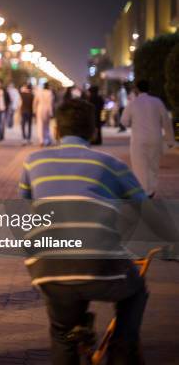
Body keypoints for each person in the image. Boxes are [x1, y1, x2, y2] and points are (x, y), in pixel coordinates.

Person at [19, 99, 150, 364]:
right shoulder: (111, 164)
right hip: (99, 260)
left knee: (61, 333)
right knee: (136, 291)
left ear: (56, 131)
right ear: (93, 131)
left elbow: (22, 213)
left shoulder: (32, 162)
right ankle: (121, 349)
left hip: (46, 266)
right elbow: (146, 210)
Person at [121, 80, 175, 197]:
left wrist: (133, 123)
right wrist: (170, 140)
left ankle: (144, 193)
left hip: (139, 141)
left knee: (140, 168)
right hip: (155, 139)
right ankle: (151, 190)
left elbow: (124, 121)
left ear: (136, 89)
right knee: (153, 167)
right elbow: (166, 121)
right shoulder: (157, 102)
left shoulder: (133, 103)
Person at [34, 82, 55, 146]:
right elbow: (50, 103)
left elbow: (35, 102)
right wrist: (51, 113)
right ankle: (47, 139)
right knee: (46, 126)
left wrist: (34, 110)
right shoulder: (50, 93)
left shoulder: (39, 92)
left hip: (39, 109)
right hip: (47, 110)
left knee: (40, 125)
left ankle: (41, 140)